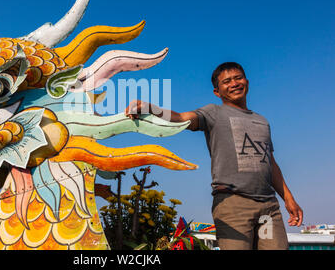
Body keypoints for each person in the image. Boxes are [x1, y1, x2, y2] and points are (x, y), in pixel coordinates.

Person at [125, 62, 303, 250]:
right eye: (227, 81)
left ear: (247, 82)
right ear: (217, 92)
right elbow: (181, 118)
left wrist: (289, 199)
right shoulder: (213, 113)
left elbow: (270, 163)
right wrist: (150, 108)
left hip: (269, 207)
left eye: (238, 78)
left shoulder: (262, 121)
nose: (234, 83)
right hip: (234, 205)